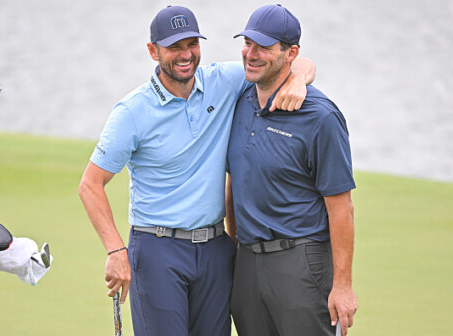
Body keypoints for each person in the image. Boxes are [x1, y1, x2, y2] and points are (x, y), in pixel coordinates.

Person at [78, 5, 315, 336]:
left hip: (215, 249)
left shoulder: (223, 81)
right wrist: (116, 250)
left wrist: (298, 78)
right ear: (153, 51)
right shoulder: (131, 112)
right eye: (174, 46)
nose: (185, 54)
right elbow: (90, 185)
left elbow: (291, 61)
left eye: (192, 43)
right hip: (157, 249)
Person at [226, 4, 358, 336]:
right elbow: (235, 178)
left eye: (264, 47)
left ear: (290, 53)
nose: (251, 54)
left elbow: (341, 207)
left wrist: (342, 286)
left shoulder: (321, 117)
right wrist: (233, 243)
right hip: (247, 263)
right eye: (247, 43)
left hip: (300, 263)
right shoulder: (239, 98)